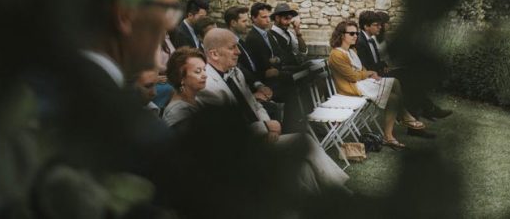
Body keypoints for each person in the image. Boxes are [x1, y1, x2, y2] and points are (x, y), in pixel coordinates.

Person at [197, 28, 349, 194]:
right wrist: (265, 128)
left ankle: (329, 199)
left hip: (256, 138)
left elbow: (254, 104)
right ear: (214, 54)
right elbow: (229, 130)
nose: (238, 52)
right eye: (232, 47)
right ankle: (340, 193)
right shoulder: (207, 86)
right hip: (237, 152)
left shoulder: (235, 72)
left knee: (303, 166)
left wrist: (267, 127)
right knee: (304, 142)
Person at [328, 20, 425, 149]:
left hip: (360, 83)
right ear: (341, 35)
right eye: (351, 33)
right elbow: (351, 76)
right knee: (394, 82)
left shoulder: (351, 51)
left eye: (356, 33)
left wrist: (369, 74)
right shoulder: (336, 54)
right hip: (351, 89)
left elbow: (360, 70)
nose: (355, 36)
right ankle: (404, 116)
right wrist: (369, 73)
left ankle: (389, 135)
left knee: (394, 97)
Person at [356, 10, 451, 126]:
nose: (380, 27)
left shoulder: (369, 39)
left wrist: (383, 64)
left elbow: (375, 61)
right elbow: (366, 66)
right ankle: (422, 111)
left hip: (378, 73)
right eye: (376, 25)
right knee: (407, 78)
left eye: (380, 24)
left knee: (410, 78)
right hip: (371, 79)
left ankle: (419, 113)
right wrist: (382, 65)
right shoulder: (360, 41)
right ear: (366, 26)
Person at [162, 47, 208, 131]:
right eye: (198, 71)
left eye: (204, 69)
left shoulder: (196, 99)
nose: (205, 75)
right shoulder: (176, 113)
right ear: (181, 78)